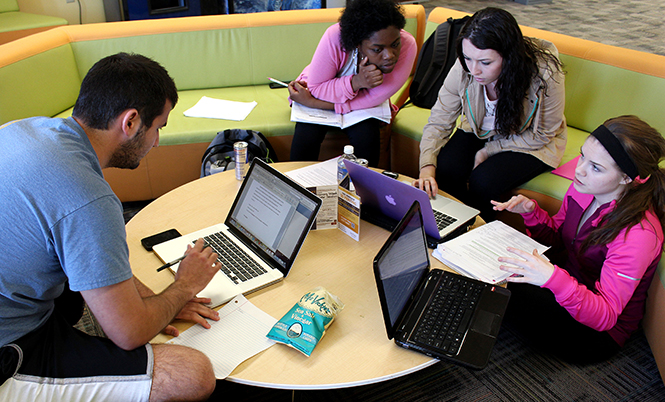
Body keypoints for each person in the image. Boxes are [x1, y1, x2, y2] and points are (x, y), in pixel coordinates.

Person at [0, 53, 223, 401]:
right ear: (131, 122)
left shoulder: (25, 130)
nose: (157, 141)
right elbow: (129, 334)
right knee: (192, 373)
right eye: (158, 127)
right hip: (10, 349)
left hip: (12, 300)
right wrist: (183, 287)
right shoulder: (88, 198)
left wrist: (156, 300)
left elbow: (92, 260)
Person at [492, 115, 665, 364]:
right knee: (498, 275)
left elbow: (605, 316)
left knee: (501, 292)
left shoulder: (638, 235)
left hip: (597, 334)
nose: (579, 169)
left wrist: (552, 278)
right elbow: (560, 240)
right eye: (582, 155)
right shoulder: (585, 188)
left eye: (596, 167)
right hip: (571, 287)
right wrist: (531, 213)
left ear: (627, 178)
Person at [413, 7, 566, 220]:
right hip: (480, 129)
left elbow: (542, 134)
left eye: (485, 62)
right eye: (468, 58)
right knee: (446, 167)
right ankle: (452, 227)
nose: (474, 70)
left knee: (484, 181)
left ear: (509, 57)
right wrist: (426, 166)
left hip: (530, 140)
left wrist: (489, 151)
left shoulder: (546, 73)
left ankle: (479, 235)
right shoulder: (464, 66)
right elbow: (440, 118)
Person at [288, 0, 417, 166]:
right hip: (327, 93)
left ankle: (366, 191)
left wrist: (312, 102)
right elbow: (317, 88)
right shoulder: (334, 36)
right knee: (306, 135)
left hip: (359, 106)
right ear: (358, 43)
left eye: (395, 45)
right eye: (377, 49)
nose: (389, 55)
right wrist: (356, 82)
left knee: (367, 137)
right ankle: (296, 188)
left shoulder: (408, 45)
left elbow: (372, 98)